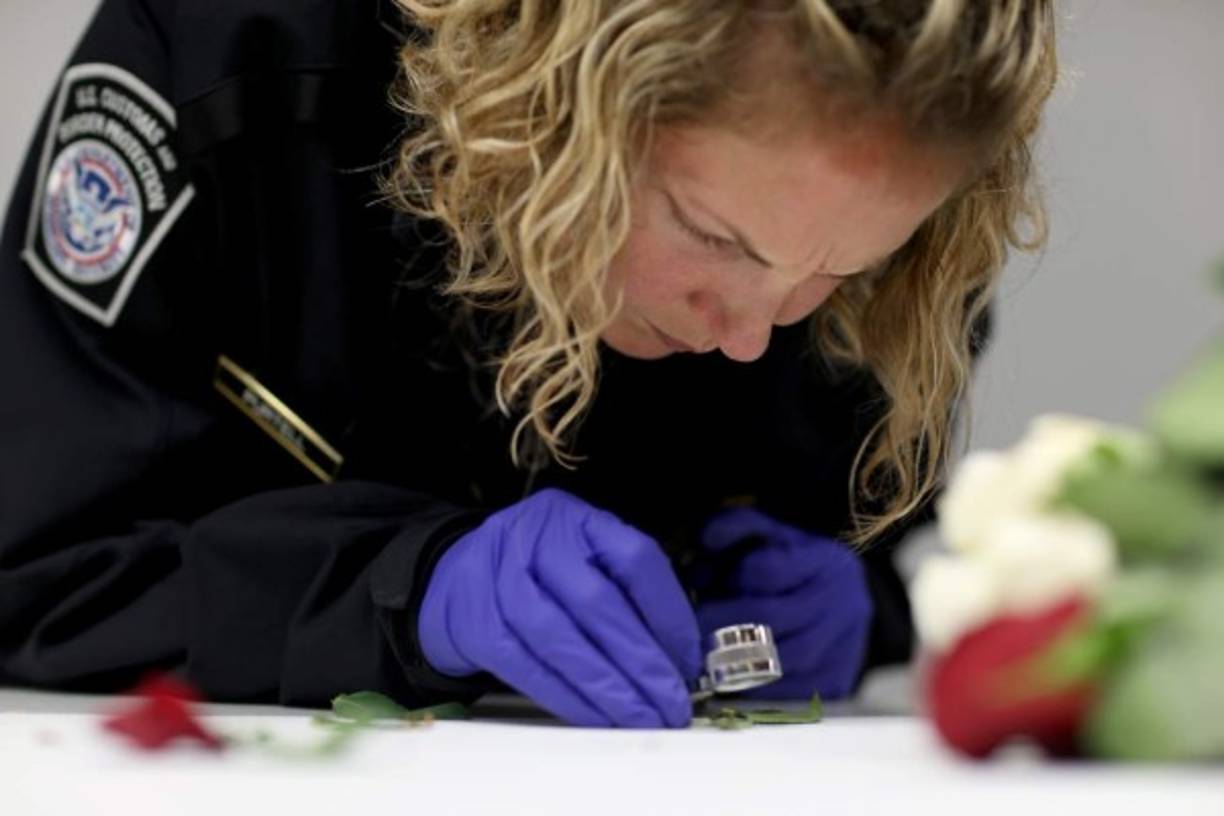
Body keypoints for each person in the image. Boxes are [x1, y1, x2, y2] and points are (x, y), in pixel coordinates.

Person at [0, 0, 1057, 728]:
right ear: (567, 97)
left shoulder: (904, 249)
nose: (750, 332)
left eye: (838, 269)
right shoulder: (233, 55)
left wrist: (863, 606)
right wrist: (406, 593)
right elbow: (39, 575)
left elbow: (873, 543)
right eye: (713, 236)